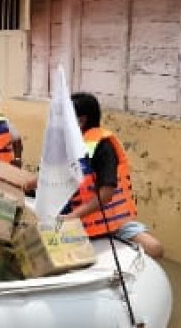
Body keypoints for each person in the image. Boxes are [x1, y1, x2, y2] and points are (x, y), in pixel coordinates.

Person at [61, 92, 163, 259]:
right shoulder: (73, 145)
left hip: (112, 221)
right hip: (80, 220)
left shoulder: (103, 147)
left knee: (155, 248)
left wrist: (72, 217)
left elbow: (106, 195)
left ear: (80, 121)